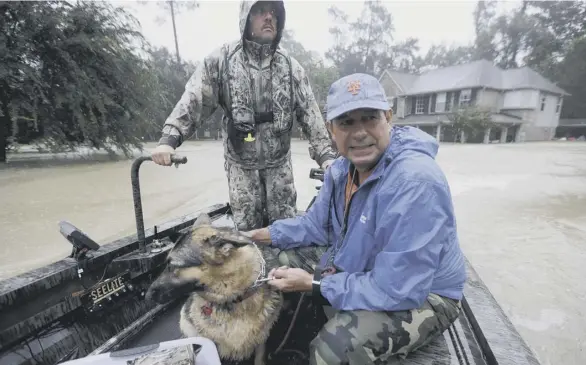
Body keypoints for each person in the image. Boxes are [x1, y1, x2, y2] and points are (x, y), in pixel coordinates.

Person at [245, 73, 467, 364]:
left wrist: (316, 285)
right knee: (272, 263)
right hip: (368, 266)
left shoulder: (416, 182)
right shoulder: (340, 170)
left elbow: (399, 287)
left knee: (335, 348)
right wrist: (253, 236)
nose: (359, 132)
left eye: (370, 118)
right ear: (331, 129)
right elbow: (314, 227)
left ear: (388, 117)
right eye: (347, 122)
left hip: (424, 292)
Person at [150, 0, 336, 236]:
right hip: (241, 168)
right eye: (260, 11)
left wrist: (327, 158)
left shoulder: (291, 67)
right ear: (246, 18)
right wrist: (169, 140)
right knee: (248, 236)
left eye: (273, 13)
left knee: (286, 233)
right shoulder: (222, 61)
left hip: (280, 168)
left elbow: (311, 115)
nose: (269, 18)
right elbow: (195, 100)